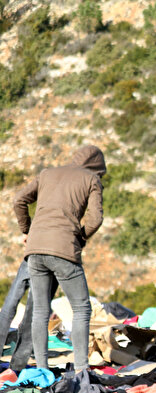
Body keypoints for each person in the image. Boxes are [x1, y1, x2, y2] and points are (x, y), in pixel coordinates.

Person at [13, 145, 105, 373]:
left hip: (34, 249)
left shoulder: (47, 173)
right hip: (64, 248)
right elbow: (95, 219)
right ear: (97, 167)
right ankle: (82, 370)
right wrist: (80, 238)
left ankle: (42, 369)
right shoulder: (91, 179)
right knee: (82, 308)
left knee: (40, 311)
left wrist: (27, 231)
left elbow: (19, 200)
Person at [0, 260, 58, 373]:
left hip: (32, 253)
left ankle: (17, 367)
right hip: (56, 259)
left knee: (9, 308)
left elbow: (25, 240)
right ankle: (17, 367)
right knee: (35, 314)